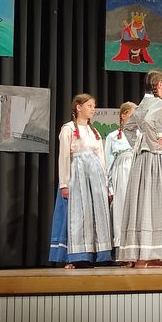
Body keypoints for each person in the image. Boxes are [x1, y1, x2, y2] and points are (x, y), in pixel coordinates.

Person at [116, 71, 162, 267]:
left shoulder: (143, 102)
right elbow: (150, 122)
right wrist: (155, 143)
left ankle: (142, 255)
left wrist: (139, 143)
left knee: (142, 202)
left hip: (141, 159)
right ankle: (150, 255)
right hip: (154, 158)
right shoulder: (158, 103)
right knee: (155, 201)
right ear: (159, 85)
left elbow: (128, 128)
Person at [49, 94, 113, 268]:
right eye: (89, 105)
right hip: (78, 176)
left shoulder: (95, 131)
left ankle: (98, 254)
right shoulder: (68, 129)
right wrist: (64, 184)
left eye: (94, 106)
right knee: (79, 215)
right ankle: (79, 256)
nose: (93, 109)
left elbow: (101, 158)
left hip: (95, 178)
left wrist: (106, 184)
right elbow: (64, 157)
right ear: (78, 107)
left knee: (96, 215)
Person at [106, 101, 138, 264]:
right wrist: (110, 187)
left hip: (138, 171)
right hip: (122, 173)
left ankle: (139, 252)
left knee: (137, 210)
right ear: (124, 115)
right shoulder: (113, 136)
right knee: (121, 210)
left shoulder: (141, 135)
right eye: (133, 114)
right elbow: (108, 163)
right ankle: (124, 254)